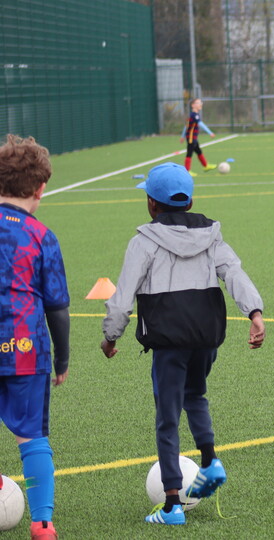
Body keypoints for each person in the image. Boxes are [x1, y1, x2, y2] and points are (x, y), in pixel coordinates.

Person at [101, 162, 265, 525]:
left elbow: (123, 295)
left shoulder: (144, 241)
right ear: (190, 202)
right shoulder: (212, 236)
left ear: (151, 204)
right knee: (196, 395)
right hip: (206, 337)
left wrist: (111, 336)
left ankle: (172, 505)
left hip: (169, 340)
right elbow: (234, 273)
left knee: (167, 417)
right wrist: (254, 312)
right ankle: (210, 462)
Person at [0, 135, 69, 540]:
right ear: (41, 187)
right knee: (32, 436)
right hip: (25, 349)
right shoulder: (41, 235)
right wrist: (62, 357)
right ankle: (42, 522)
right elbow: (57, 307)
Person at [179, 98, 217, 177]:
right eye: (198, 103)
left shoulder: (193, 115)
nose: (200, 104)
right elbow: (201, 124)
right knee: (189, 153)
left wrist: (182, 136)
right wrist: (210, 132)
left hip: (193, 138)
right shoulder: (194, 115)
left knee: (199, 151)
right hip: (191, 138)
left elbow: (186, 126)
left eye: (201, 103)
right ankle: (187, 171)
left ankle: (205, 166)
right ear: (193, 105)